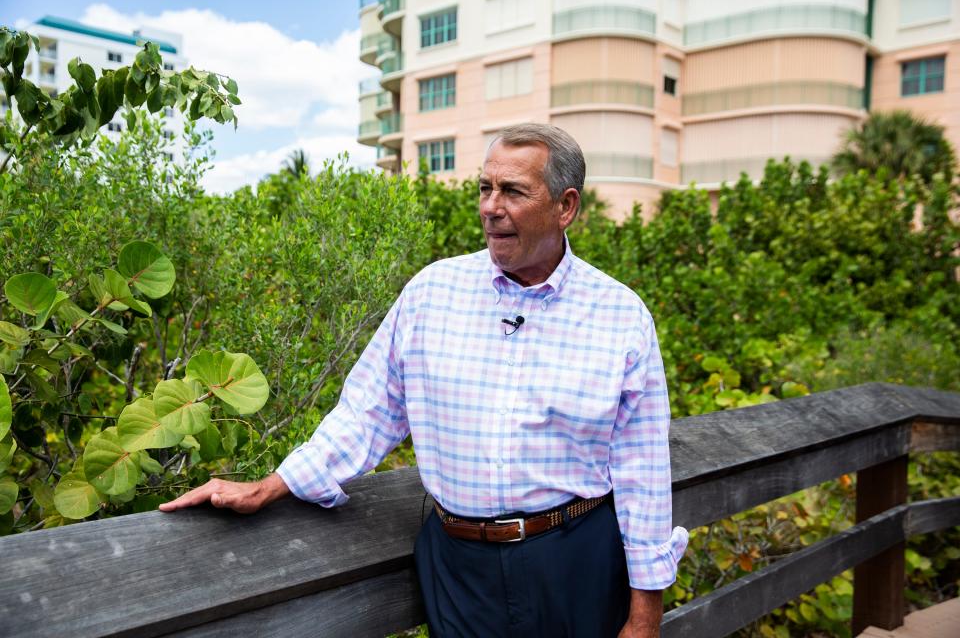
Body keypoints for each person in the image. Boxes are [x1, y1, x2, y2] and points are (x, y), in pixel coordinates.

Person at [160, 123, 688, 637]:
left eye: (512, 191)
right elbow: (369, 411)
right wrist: (273, 486)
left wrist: (644, 617)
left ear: (565, 207)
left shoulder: (621, 314)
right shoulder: (431, 292)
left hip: (575, 559)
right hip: (457, 566)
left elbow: (642, 470)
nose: (490, 207)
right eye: (484, 188)